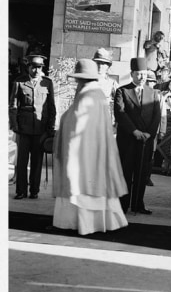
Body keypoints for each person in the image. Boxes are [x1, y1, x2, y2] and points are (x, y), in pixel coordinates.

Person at [52, 59, 128, 235]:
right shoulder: (97, 94)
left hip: (83, 155)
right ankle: (98, 223)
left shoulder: (87, 97)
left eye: (78, 79)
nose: (76, 83)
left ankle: (81, 224)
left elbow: (77, 127)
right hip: (94, 153)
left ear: (82, 79)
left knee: (81, 189)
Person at [114, 58, 161, 214]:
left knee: (142, 174)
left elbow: (156, 116)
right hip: (127, 140)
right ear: (132, 74)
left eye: (144, 74)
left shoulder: (153, 93)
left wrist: (149, 133)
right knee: (126, 173)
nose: (142, 77)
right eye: (138, 74)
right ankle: (123, 205)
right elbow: (120, 114)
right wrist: (134, 131)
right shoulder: (122, 91)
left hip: (145, 141)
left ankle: (138, 205)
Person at [9, 55, 56, 199]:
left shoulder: (47, 83)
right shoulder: (19, 82)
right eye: (33, 67)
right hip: (23, 128)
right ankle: (21, 191)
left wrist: (51, 127)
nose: (36, 70)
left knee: (37, 162)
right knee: (22, 161)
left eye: (39, 67)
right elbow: (13, 106)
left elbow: (51, 107)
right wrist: (15, 126)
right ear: (28, 67)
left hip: (41, 128)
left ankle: (34, 190)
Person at [92, 48, 118, 126]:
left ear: (108, 66)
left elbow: (119, 104)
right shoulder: (88, 81)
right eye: (98, 62)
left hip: (104, 121)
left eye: (103, 63)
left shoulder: (112, 83)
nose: (100, 66)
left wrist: (116, 122)